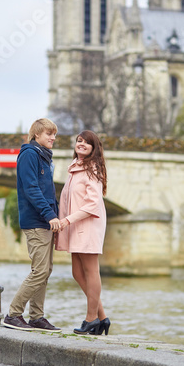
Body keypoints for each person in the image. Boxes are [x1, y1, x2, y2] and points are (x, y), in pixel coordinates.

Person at [3, 118, 62, 332]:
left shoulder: (44, 157)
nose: (53, 137)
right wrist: (49, 215)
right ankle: (13, 314)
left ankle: (37, 317)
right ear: (37, 135)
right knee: (39, 271)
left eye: (54, 134)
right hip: (36, 222)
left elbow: (48, 193)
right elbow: (31, 189)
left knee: (45, 270)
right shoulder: (29, 155)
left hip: (45, 222)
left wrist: (56, 215)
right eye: (49, 134)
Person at [56, 130, 110, 336]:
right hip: (76, 225)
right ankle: (101, 316)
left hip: (88, 224)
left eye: (87, 143)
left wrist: (67, 221)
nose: (81, 144)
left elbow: (93, 204)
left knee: (90, 270)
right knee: (77, 272)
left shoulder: (92, 169)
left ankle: (91, 319)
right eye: (79, 141)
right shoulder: (75, 168)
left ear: (94, 148)